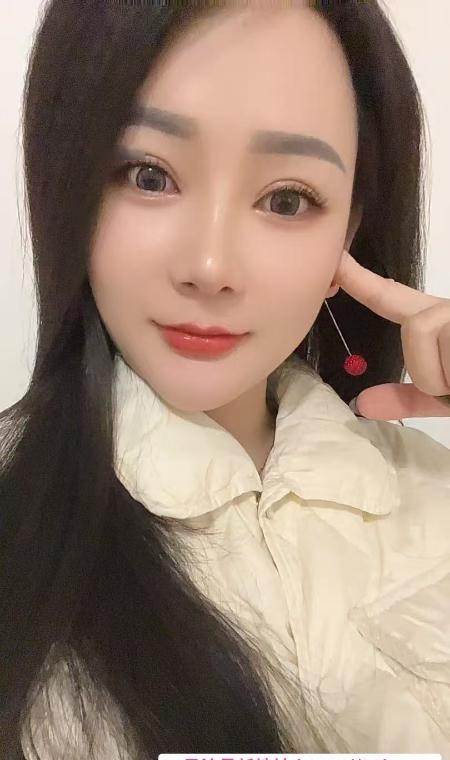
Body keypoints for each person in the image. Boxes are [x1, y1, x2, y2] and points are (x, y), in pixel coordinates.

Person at [0, 0, 449, 758]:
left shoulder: (432, 493)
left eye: (286, 200)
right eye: (149, 176)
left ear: (346, 236)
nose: (209, 267)